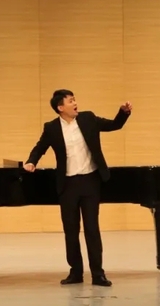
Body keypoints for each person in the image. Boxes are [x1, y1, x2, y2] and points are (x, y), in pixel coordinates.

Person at [23, 89, 132, 287]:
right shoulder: (51, 128)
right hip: (67, 185)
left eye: (75, 100)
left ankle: (98, 274)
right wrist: (31, 161)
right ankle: (76, 272)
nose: (75, 103)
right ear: (60, 107)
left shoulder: (88, 119)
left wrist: (123, 113)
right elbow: (40, 147)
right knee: (71, 230)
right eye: (71, 101)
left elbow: (114, 125)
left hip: (90, 181)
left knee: (92, 229)